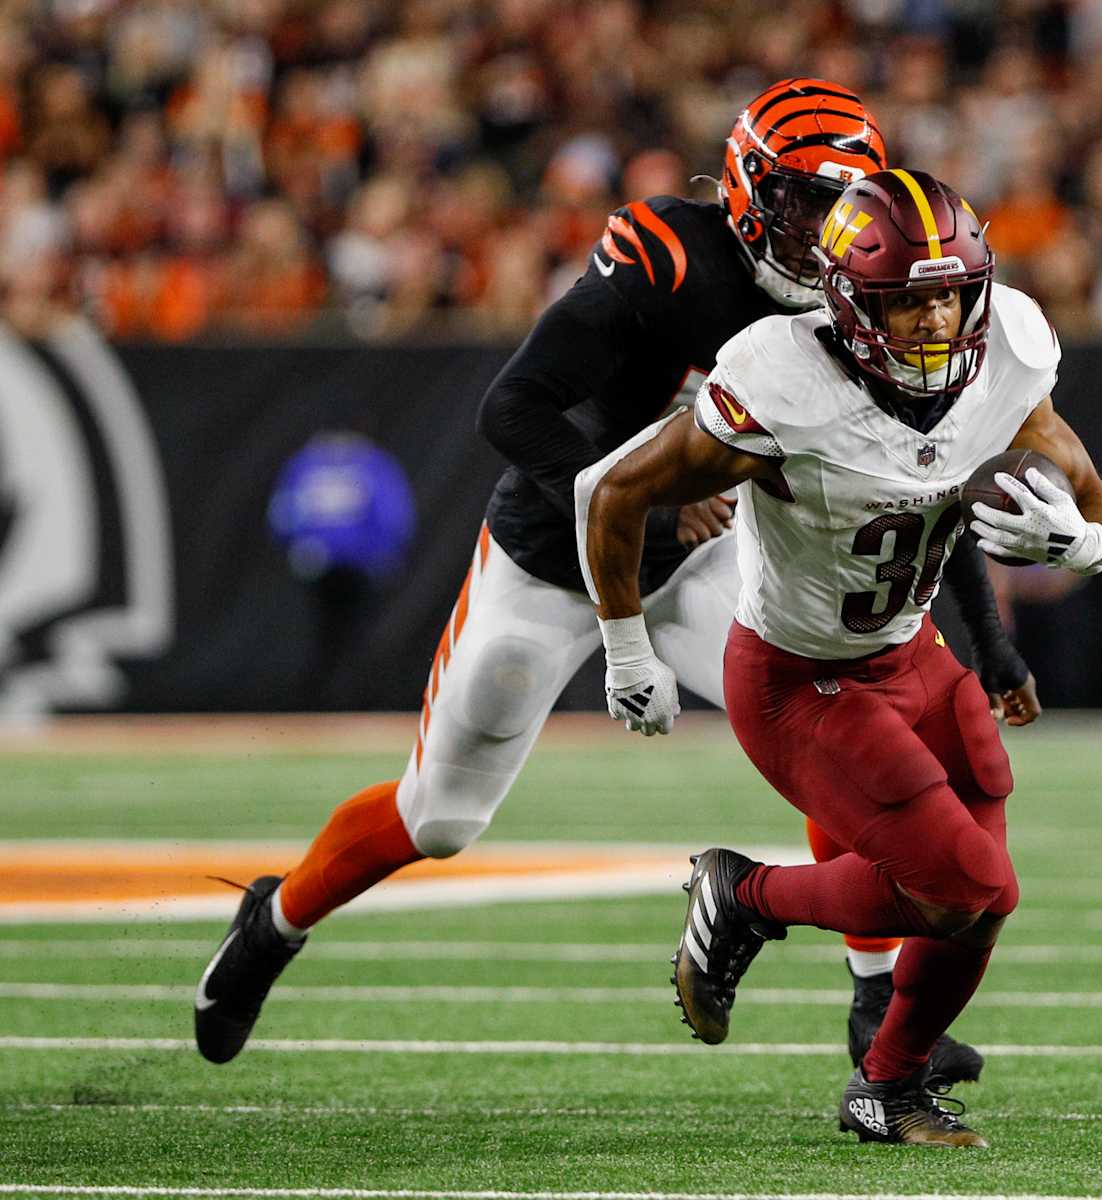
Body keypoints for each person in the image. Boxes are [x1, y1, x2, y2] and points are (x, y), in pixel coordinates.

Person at [193, 82, 1033, 1082]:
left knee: (829, 692)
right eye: (806, 200)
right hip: (559, 555)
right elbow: (512, 409)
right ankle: (278, 917)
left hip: (706, 558)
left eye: (842, 202)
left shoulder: (876, 294)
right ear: (750, 191)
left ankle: (873, 1000)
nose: (826, 230)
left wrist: (988, 640)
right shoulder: (671, 262)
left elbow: (918, 475)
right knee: (442, 818)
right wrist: (653, 503)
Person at [580, 169, 1102, 1147]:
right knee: (968, 888)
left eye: (950, 294)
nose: (934, 320)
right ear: (846, 301)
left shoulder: (1007, 355)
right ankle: (743, 894)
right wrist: (627, 650)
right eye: (907, 301)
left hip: (909, 650)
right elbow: (614, 495)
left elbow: (1097, 501)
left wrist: (1082, 545)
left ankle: (890, 1081)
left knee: (980, 880)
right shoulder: (781, 383)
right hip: (796, 678)